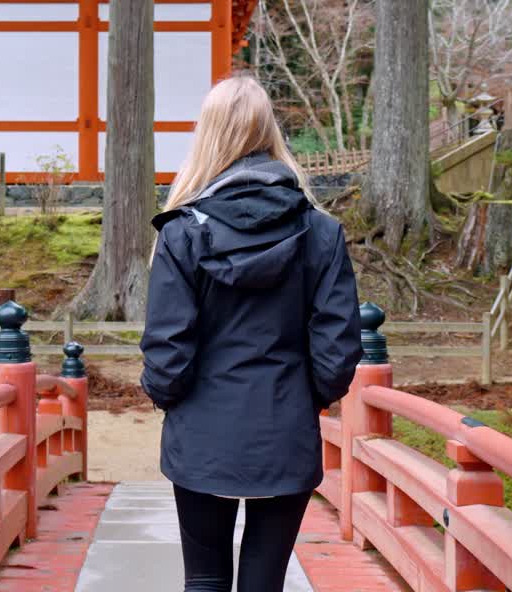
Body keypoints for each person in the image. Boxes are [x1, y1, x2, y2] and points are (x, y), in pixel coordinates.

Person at [140, 75, 363, 592]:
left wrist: (168, 397)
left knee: (206, 580)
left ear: (208, 135)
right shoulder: (321, 232)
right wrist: (303, 400)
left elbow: (167, 348)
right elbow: (338, 350)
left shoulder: (181, 233)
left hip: (201, 431)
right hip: (284, 428)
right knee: (266, 581)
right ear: (270, 133)